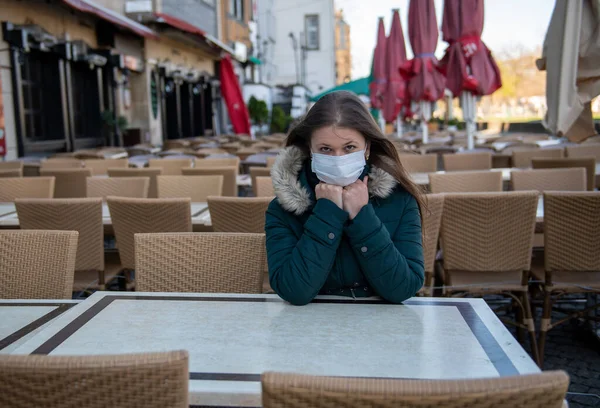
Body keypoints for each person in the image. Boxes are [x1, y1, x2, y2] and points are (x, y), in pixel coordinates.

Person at [265, 91, 425, 305]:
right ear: (311, 151)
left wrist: (363, 217)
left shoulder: (400, 201)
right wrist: (327, 213)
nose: (338, 159)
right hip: (308, 329)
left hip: (382, 329)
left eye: (349, 147)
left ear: (366, 148)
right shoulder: (283, 209)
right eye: (325, 149)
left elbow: (404, 288)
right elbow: (293, 290)